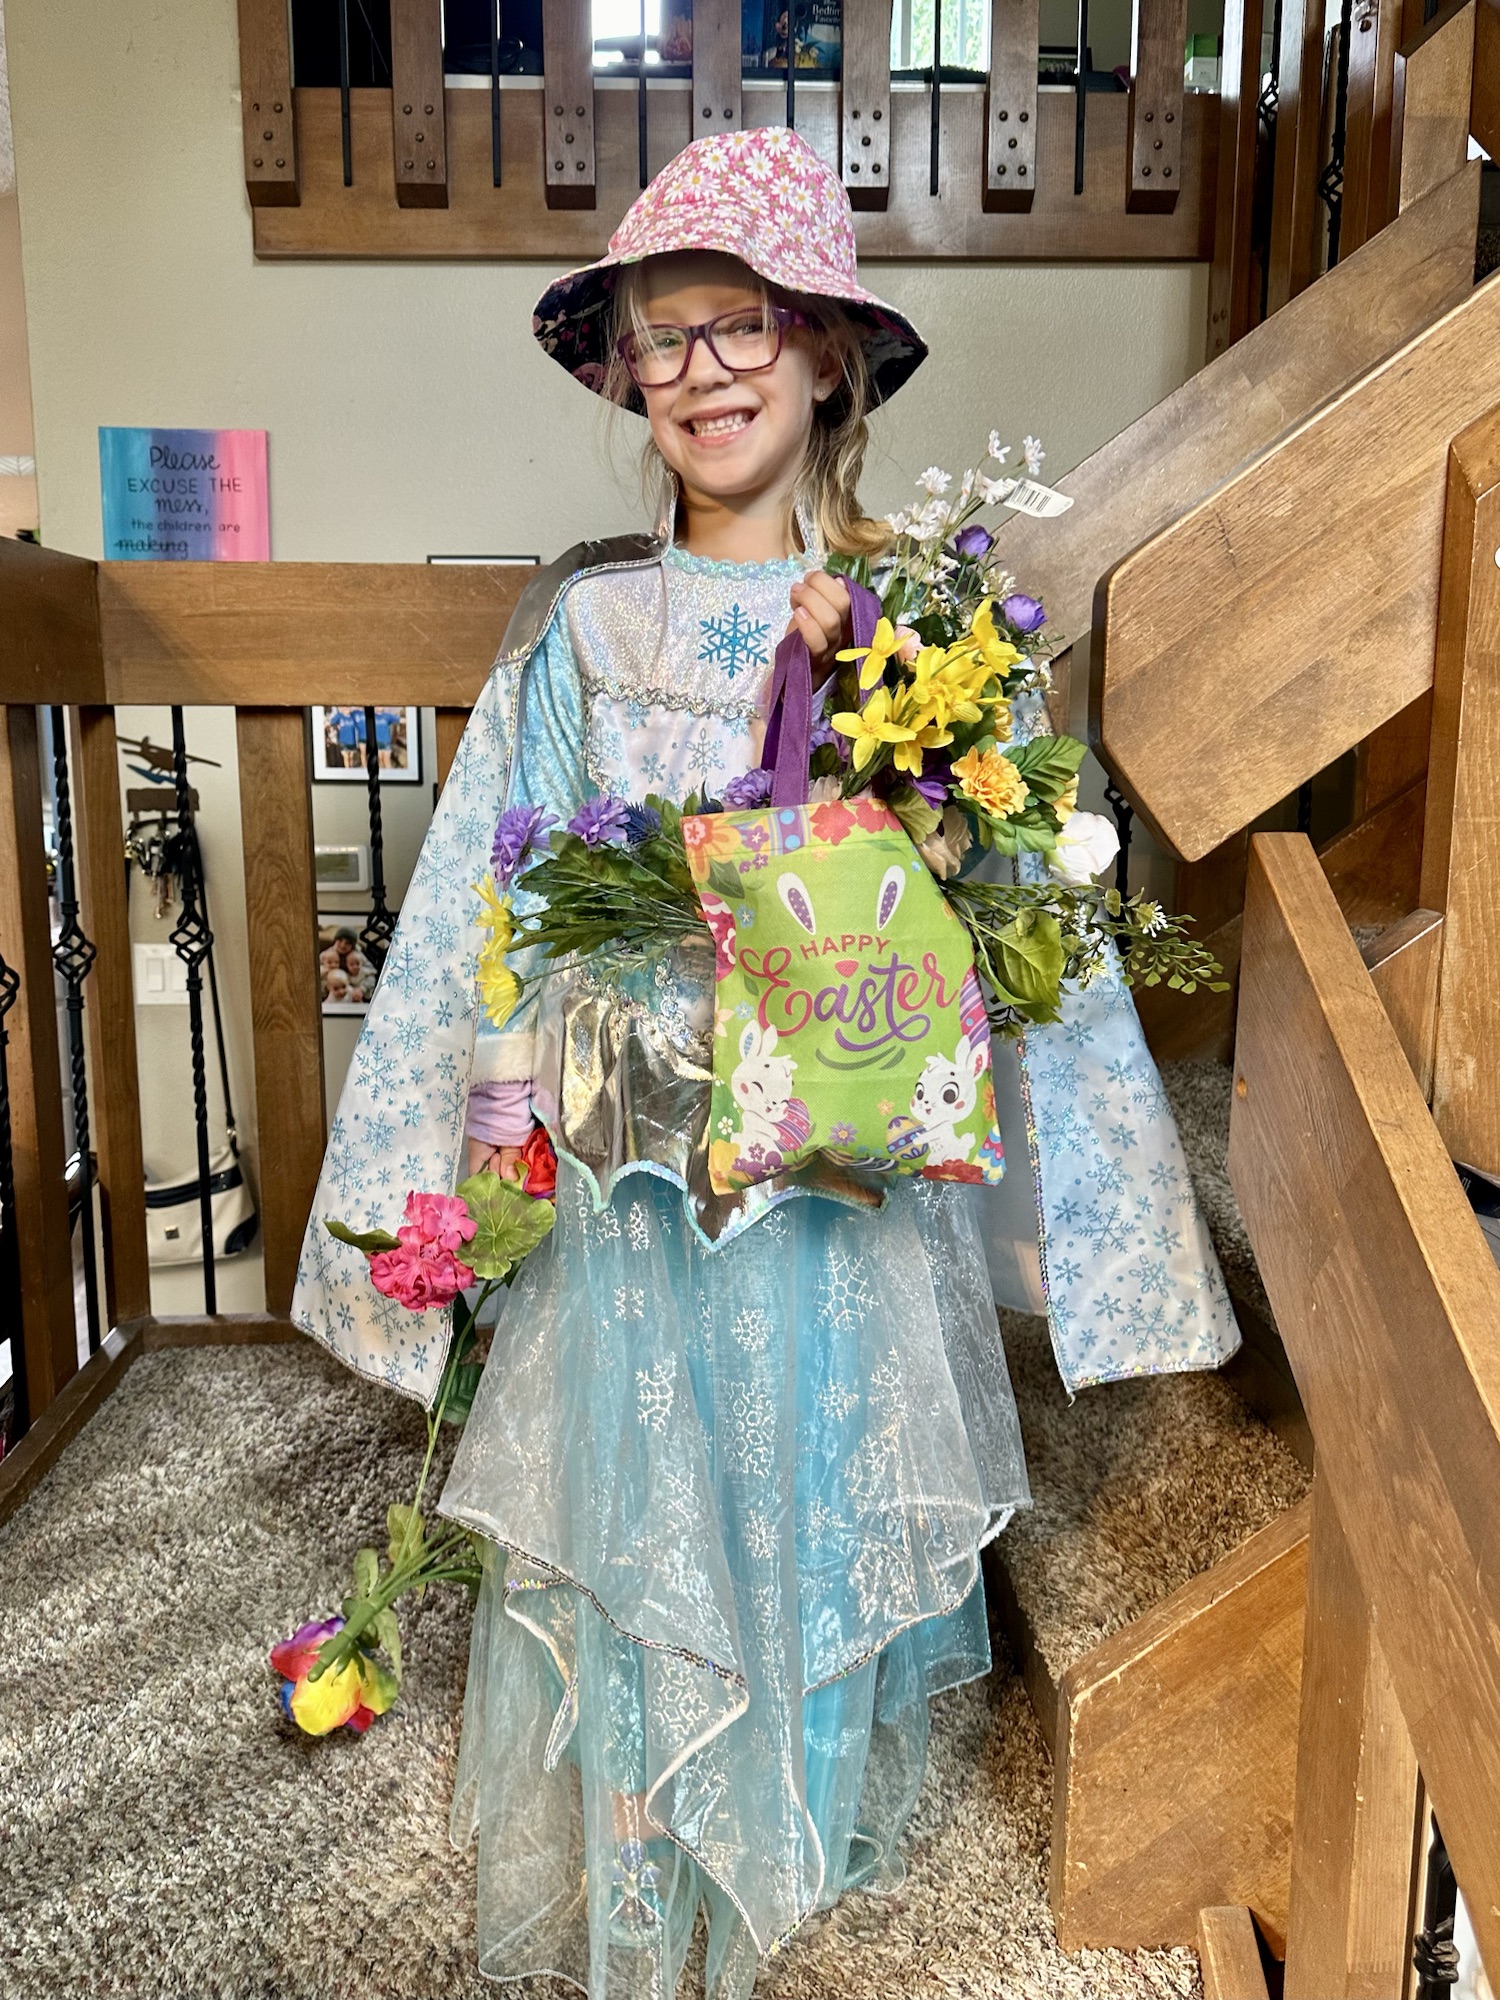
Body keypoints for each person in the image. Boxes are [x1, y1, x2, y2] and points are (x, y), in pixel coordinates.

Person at [293, 127, 1236, 1997]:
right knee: (638, 1493)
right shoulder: (586, 624)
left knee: (807, 1479)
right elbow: (499, 895)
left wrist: (886, 709)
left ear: (824, 354)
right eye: (664, 335)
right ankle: (646, 1851)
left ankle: (779, 1842)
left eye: (741, 325)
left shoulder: (916, 621)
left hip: (824, 1189)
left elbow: (990, 905)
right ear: (624, 371)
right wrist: (484, 1154)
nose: (703, 370)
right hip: (629, 1183)